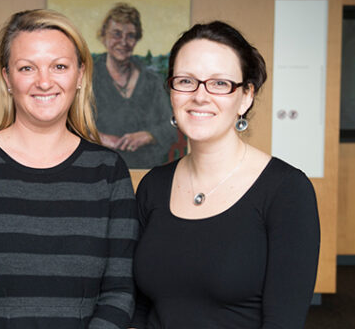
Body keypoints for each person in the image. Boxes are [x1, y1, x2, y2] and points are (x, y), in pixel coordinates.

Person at [0, 9, 137, 328]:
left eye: (59, 66)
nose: (44, 82)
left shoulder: (109, 171)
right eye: (27, 68)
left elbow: (119, 293)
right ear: (7, 77)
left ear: (80, 75)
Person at [131, 21, 320, 328]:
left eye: (219, 83)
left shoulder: (287, 190)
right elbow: (139, 307)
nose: (200, 96)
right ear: (172, 92)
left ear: (245, 96)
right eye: (186, 81)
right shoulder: (153, 185)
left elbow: (283, 321)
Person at [93, 3, 180, 169]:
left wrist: (149, 135)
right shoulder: (87, 80)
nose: (123, 42)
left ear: (137, 39)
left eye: (131, 36)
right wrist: (100, 138)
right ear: (103, 36)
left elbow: (171, 126)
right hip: (99, 172)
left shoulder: (152, 81)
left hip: (147, 171)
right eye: (116, 34)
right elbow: (71, 126)